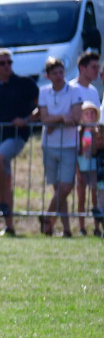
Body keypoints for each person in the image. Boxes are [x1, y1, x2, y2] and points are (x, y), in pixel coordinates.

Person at [0, 49, 38, 236]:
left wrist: (26, 120)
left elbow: (40, 109)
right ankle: (9, 225)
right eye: (2, 63)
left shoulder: (24, 83)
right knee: (6, 179)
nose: (7, 66)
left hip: (16, 135)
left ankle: (2, 201)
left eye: (9, 62)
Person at [37, 57, 81, 237]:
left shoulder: (74, 90)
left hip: (69, 144)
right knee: (58, 190)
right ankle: (66, 229)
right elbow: (44, 119)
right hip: (49, 145)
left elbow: (76, 117)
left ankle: (47, 216)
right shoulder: (44, 92)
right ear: (48, 76)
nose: (59, 76)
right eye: (54, 73)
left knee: (66, 187)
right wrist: (62, 118)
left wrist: (55, 121)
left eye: (61, 72)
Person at [69, 51, 101, 235]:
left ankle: (96, 226)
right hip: (76, 148)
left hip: (93, 150)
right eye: (93, 67)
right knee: (80, 190)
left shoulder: (94, 91)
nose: (97, 71)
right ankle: (80, 227)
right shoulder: (71, 88)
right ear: (82, 68)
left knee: (95, 191)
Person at [77, 101, 101, 236]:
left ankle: (96, 227)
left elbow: (96, 150)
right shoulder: (78, 132)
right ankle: (81, 227)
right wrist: (77, 171)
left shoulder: (98, 131)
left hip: (93, 168)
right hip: (82, 167)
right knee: (81, 199)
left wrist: (95, 135)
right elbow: (75, 152)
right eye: (87, 113)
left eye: (92, 113)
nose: (90, 115)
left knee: (95, 199)